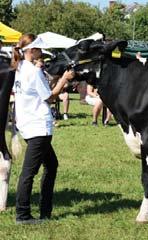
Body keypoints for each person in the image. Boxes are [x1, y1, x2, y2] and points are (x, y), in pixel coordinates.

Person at [11, 33, 75, 224]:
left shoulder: (20, 67)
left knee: (51, 166)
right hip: (38, 126)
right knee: (28, 173)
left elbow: (41, 92)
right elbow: (50, 97)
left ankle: (45, 211)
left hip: (28, 124)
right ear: (32, 50)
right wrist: (64, 78)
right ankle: (22, 215)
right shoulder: (33, 71)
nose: (41, 53)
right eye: (39, 49)